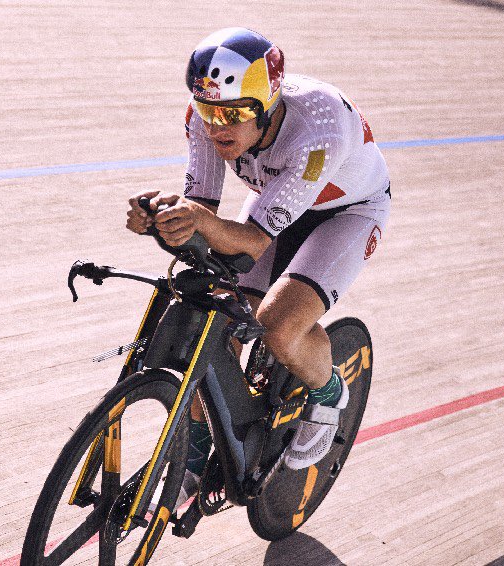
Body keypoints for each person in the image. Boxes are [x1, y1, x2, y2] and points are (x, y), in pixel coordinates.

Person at [126, 27, 390, 506]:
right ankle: (200, 447)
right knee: (219, 313)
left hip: (346, 213)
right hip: (277, 201)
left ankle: (328, 394)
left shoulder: (316, 133)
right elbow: (200, 204)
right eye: (207, 110)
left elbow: (250, 240)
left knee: (277, 327)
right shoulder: (205, 120)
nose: (216, 127)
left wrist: (200, 221)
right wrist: (164, 217)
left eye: (231, 114)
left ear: (266, 105)